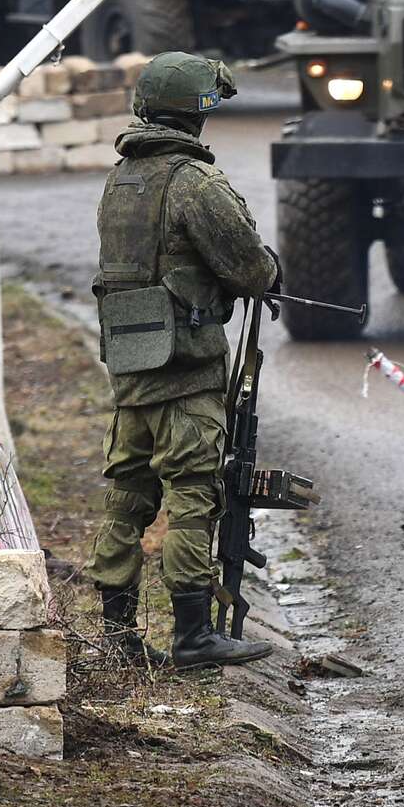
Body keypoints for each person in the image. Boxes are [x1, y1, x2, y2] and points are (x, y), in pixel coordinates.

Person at [88, 52, 277, 669]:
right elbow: (250, 268)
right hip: (186, 370)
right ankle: (193, 634)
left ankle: (115, 637)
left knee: (128, 496)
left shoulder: (120, 180)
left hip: (131, 364)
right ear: (200, 111)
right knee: (194, 493)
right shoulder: (196, 184)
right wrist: (268, 273)